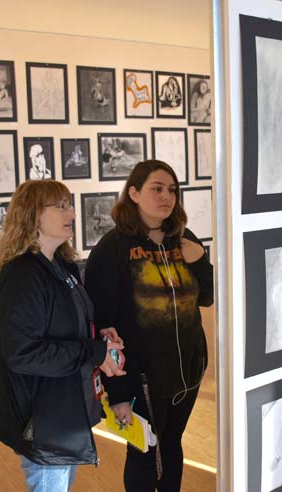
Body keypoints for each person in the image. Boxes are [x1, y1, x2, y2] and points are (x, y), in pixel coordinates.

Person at [85, 160, 214, 492]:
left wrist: (199, 259)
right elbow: (103, 326)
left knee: (172, 444)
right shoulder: (112, 249)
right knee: (144, 450)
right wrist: (119, 392)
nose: (166, 196)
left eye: (172, 190)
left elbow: (209, 296)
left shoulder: (184, 240)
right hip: (141, 377)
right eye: (156, 188)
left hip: (187, 372)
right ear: (134, 193)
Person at [0, 179, 126, 492]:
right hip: (43, 419)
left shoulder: (61, 265)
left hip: (63, 410)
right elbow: (23, 353)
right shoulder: (23, 275)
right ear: (33, 214)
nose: (73, 214)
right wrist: (94, 352)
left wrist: (99, 336)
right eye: (61, 206)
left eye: (70, 205)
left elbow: (67, 322)